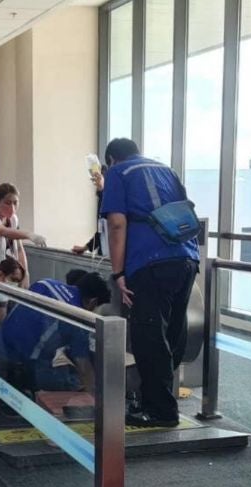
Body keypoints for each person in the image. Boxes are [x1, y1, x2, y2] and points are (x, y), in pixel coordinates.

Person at [100, 137, 198, 428]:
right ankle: (158, 400)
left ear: (111, 159)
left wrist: (118, 274)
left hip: (149, 263)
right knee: (172, 334)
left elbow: (117, 224)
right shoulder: (167, 170)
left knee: (149, 336)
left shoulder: (118, 173)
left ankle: (160, 411)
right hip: (186, 259)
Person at [0, 272, 111, 393]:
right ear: (93, 302)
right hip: (15, 366)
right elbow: (84, 367)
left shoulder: (45, 283)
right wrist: (97, 396)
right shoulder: (76, 316)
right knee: (72, 381)